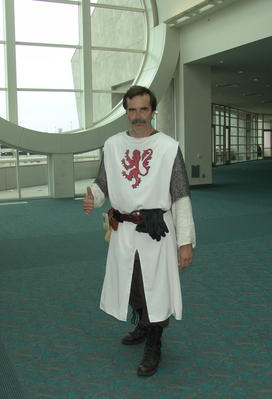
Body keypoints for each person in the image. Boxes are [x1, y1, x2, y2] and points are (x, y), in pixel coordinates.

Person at [82, 86, 196, 377]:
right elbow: (103, 184)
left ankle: (154, 343)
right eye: (132, 110)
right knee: (132, 283)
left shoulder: (168, 147)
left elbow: (180, 197)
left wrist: (185, 241)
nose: (138, 116)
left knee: (156, 287)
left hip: (155, 230)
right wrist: (93, 196)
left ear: (153, 111)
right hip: (123, 230)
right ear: (126, 112)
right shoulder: (112, 145)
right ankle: (144, 324)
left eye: (144, 109)